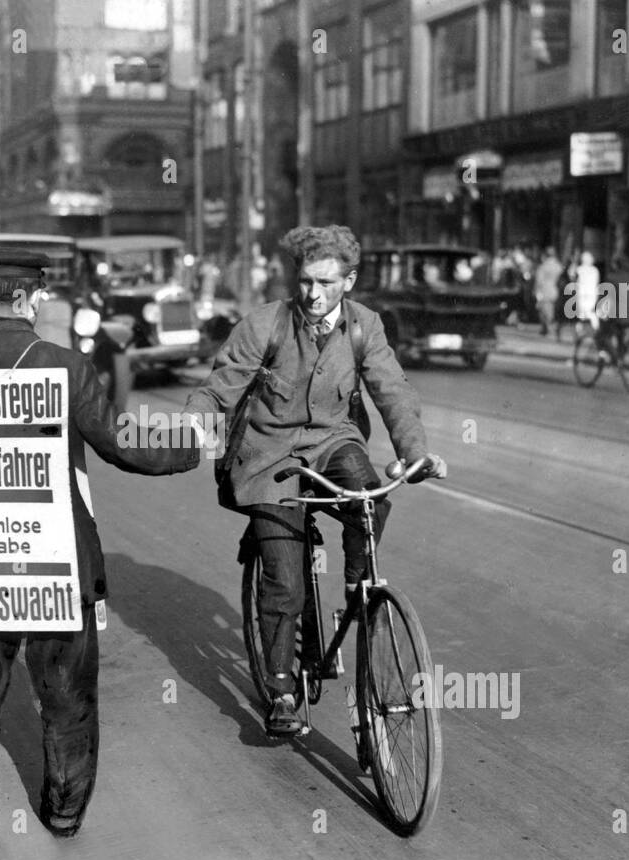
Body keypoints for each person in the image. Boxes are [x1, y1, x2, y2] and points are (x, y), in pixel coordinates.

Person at [0, 248, 199, 846]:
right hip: (57, 561)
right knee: (65, 697)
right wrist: (188, 450)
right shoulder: (63, 366)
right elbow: (120, 445)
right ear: (32, 299)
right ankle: (62, 813)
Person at [183, 225, 446, 737]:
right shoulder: (266, 324)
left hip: (332, 442)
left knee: (371, 495)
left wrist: (415, 454)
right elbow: (220, 386)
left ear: (349, 280)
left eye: (326, 282)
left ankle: (357, 588)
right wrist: (195, 421)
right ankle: (282, 689)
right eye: (305, 280)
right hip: (268, 458)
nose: (313, 293)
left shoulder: (364, 325)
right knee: (285, 581)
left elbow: (393, 391)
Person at [534, 247, 563, 337]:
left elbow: (539, 281)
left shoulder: (543, 267)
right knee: (551, 309)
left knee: (544, 310)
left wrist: (536, 291)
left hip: (545, 290)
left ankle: (548, 328)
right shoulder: (558, 266)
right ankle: (547, 327)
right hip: (555, 290)